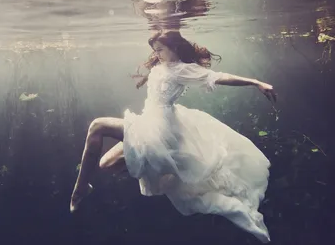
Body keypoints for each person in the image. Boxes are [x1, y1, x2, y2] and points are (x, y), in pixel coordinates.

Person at [69, 30, 276, 243]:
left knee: (97, 126)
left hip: (158, 129)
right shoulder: (162, 65)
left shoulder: (183, 70)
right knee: (106, 164)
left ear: (174, 47)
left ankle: (80, 189)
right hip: (148, 123)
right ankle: (150, 164)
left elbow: (218, 77)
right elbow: (158, 78)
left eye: (160, 49)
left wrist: (255, 82)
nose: (156, 54)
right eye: (154, 50)